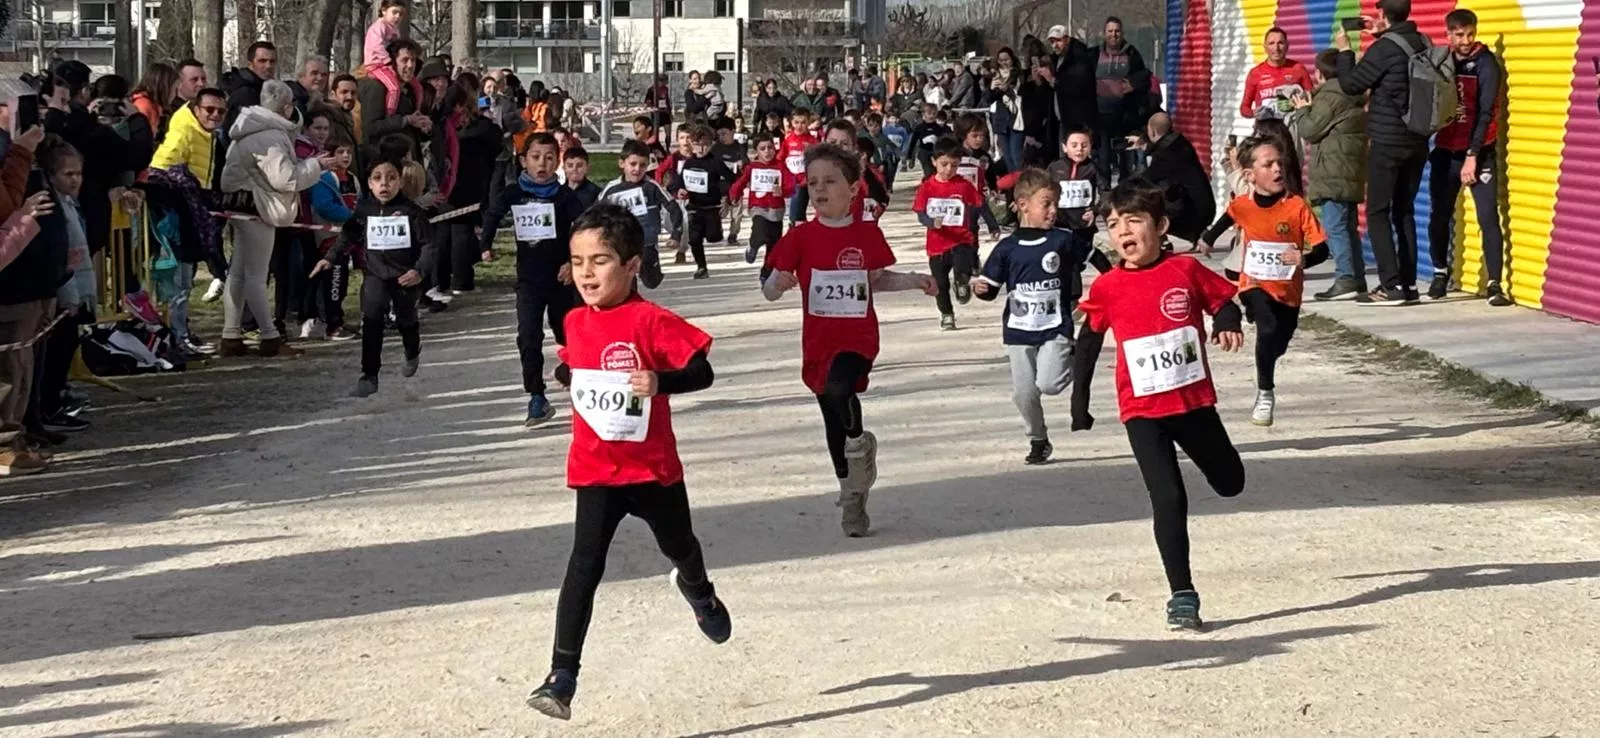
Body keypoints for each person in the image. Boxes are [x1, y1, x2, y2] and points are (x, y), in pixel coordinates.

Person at [524, 204, 732, 723]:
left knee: (679, 546)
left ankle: (699, 592)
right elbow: (575, 365)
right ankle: (561, 676)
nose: (586, 273)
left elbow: (702, 371)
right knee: (583, 565)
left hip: (652, 469)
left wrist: (661, 382)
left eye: (600, 261)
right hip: (596, 468)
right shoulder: (574, 320)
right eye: (577, 262)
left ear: (632, 265)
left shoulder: (651, 320)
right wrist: (568, 377)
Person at [1070, 181, 1247, 631]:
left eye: (1134, 221)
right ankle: (1182, 594)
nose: (1123, 232)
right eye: (1114, 224)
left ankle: (1218, 468)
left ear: (1161, 225)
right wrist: (1079, 402)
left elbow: (1224, 299)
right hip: (1142, 412)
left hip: (1193, 404)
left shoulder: (1185, 270)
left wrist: (1227, 321)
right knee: (1168, 497)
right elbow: (1088, 342)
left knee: (1231, 484)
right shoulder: (1108, 287)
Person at [761, 143, 937, 537]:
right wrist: (778, 282)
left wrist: (914, 280)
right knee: (831, 417)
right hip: (817, 343)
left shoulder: (866, 234)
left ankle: (859, 445)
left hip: (857, 337)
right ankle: (852, 493)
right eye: (813, 183)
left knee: (841, 387)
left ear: (854, 189)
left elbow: (878, 279)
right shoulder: (799, 237)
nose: (820, 189)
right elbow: (769, 290)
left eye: (830, 181)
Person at [1199, 137, 1329, 426]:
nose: (1277, 169)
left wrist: (1303, 259)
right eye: (1268, 165)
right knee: (1266, 324)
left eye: (1279, 163)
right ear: (1250, 175)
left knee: (1277, 343)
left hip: (1288, 292)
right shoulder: (1243, 204)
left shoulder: (1296, 206)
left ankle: (1268, 349)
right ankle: (1265, 391)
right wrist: (1208, 238)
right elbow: (1227, 218)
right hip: (1253, 282)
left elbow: (1323, 249)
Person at [972, 170, 1096, 464]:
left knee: (1050, 384)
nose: (1053, 211)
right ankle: (1038, 439)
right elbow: (990, 288)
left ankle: (1072, 355)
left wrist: (1119, 278)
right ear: (1023, 204)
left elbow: (1093, 256)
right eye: (1047, 204)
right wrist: (980, 290)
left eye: (1056, 204)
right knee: (1025, 394)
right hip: (1019, 330)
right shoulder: (1007, 248)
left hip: (1055, 326)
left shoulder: (1063, 240)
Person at [217, 79, 332, 358]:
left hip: (241, 205)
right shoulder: (269, 135)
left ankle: (231, 334)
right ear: (286, 107)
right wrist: (316, 164)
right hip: (258, 207)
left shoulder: (248, 129)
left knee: (238, 271)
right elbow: (286, 179)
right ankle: (269, 336)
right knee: (256, 275)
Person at [479, 132, 585, 426]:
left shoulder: (564, 197)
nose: (542, 164)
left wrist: (573, 261)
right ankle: (536, 396)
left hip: (561, 279)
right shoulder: (514, 194)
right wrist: (485, 245)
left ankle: (578, 375)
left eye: (550, 158)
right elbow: (493, 214)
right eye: (536, 158)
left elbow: (585, 227)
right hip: (529, 280)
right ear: (524, 161)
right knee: (528, 336)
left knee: (566, 334)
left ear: (557, 163)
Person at [1334, 0, 1431, 306]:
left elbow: (1351, 85)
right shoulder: (1423, 41)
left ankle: (1390, 286)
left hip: (1388, 142)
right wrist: (1382, 35)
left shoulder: (1384, 49)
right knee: (1404, 211)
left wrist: (1345, 51)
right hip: (1418, 140)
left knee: (1377, 212)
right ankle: (1409, 284)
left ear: (1382, 14)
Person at [311, 155, 431, 396]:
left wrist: (418, 270)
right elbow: (348, 235)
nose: (384, 183)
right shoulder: (364, 210)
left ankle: (411, 349)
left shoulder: (412, 212)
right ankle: (369, 375)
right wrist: (330, 258)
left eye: (391, 178)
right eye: (378, 178)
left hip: (405, 276)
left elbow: (430, 246)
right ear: (369, 184)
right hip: (375, 274)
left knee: (406, 320)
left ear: (400, 182)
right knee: (372, 320)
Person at [1427, 9, 1508, 305]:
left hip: (1478, 153)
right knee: (1439, 215)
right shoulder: (1441, 60)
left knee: (1488, 216)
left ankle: (1495, 284)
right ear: (1448, 34)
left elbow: (1487, 114)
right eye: (1459, 35)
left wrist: (1473, 155)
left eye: (1470, 34)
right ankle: (1440, 272)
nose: (1466, 40)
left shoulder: (1486, 63)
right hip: (1445, 152)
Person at [148, 88, 228, 353]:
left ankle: (180, 334)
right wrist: (181, 199)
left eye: (221, 111)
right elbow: (159, 170)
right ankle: (174, 338)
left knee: (185, 281)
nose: (215, 115)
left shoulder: (208, 135)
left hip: (193, 214)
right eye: (209, 110)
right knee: (177, 282)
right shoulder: (183, 132)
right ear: (196, 109)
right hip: (175, 218)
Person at [1290, 49, 1368, 301]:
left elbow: (1310, 130)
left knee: (1336, 229)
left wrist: (1302, 110)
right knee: (1348, 229)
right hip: (1349, 171)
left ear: (1319, 73)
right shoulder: (1353, 94)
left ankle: (1345, 279)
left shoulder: (1330, 96)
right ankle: (1357, 279)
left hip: (1332, 172)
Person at [428, 83, 500, 298]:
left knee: (442, 232)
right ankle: (461, 280)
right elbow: (495, 146)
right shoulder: (480, 127)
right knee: (462, 231)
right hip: (467, 183)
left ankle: (440, 281)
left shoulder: (440, 123)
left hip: (444, 183)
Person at [914, 138, 983, 331]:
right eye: (944, 164)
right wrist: (931, 222)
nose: (949, 169)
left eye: (954, 165)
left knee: (962, 267)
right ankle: (947, 314)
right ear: (934, 161)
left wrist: (993, 225)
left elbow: (980, 204)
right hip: (937, 244)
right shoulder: (927, 187)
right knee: (940, 284)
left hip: (961, 239)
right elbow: (920, 213)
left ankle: (962, 282)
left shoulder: (963, 185)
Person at [599, 140, 683, 288]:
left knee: (652, 282)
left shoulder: (651, 186)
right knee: (627, 282)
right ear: (622, 163)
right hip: (623, 242)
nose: (637, 169)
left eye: (642, 165)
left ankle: (651, 272)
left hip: (647, 242)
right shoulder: (612, 189)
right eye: (633, 164)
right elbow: (595, 214)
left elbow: (673, 207)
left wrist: (676, 234)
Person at [306, 135, 360, 341]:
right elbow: (324, 206)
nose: (346, 156)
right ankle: (331, 325)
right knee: (333, 282)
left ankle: (338, 319)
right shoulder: (324, 179)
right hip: (329, 238)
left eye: (349, 152)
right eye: (340, 152)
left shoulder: (353, 179)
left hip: (349, 238)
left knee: (342, 281)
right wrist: (352, 217)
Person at [1132, 112, 1214, 244]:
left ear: (1152, 131)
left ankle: (1164, 242)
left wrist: (1115, 194)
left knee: (1144, 201)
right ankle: (1195, 235)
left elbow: (1146, 179)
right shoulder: (1180, 143)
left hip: (1194, 213)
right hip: (1205, 207)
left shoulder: (1165, 155)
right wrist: (1145, 144)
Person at [1092, 17, 1153, 188]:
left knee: (1125, 157)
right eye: (1110, 31)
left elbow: (1145, 77)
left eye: (1117, 31)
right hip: (1100, 114)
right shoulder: (1094, 54)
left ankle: (1125, 190)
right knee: (1103, 157)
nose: (1114, 35)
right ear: (1104, 33)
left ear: (1122, 33)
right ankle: (1104, 190)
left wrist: (1133, 84)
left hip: (1124, 115)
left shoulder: (1131, 53)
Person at [673, 124, 735, 280]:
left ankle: (717, 231)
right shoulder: (689, 163)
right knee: (694, 239)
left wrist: (726, 198)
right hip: (694, 206)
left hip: (712, 206)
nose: (700, 149)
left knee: (713, 237)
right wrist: (680, 190)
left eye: (705, 145)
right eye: (697, 145)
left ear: (711, 145)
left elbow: (732, 180)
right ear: (692, 145)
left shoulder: (715, 162)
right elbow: (680, 181)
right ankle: (701, 267)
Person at [359, 38, 431, 163]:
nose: (410, 65)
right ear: (392, 62)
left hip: (409, 160)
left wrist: (424, 127)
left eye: (413, 60)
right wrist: (405, 120)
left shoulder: (411, 90)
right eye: (405, 60)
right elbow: (371, 127)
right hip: (384, 160)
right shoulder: (376, 87)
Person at [729, 134, 795, 270]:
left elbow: (791, 185)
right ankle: (753, 245)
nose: (767, 151)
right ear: (756, 152)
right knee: (760, 233)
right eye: (762, 148)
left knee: (773, 244)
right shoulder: (752, 167)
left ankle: (766, 272)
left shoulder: (780, 166)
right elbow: (740, 182)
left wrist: (783, 191)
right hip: (758, 207)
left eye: (770, 148)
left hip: (776, 210)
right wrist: (734, 195)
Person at [1240, 27, 1313, 120]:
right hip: (1266, 127)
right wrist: (1255, 113)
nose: (1276, 48)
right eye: (1271, 43)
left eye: (1280, 43)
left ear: (1287, 46)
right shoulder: (1255, 73)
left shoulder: (1298, 68)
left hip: (1292, 126)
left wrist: (1292, 104)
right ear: (1265, 47)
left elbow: (1311, 98)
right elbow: (1244, 108)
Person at [1045, 24, 1101, 136]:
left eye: (1058, 40)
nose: (1055, 45)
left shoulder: (1080, 58)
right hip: (1061, 119)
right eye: (1052, 42)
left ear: (1067, 39)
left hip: (1078, 121)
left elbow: (1078, 86)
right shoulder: (1056, 59)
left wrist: (1053, 80)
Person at [710, 116, 748, 246]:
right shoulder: (715, 148)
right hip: (720, 187)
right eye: (719, 134)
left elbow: (746, 162)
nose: (722, 137)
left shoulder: (739, 147)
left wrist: (742, 163)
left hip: (735, 186)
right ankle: (717, 229)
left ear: (732, 131)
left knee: (737, 213)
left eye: (724, 133)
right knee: (719, 212)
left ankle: (733, 234)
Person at [780, 109, 820, 225]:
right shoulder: (788, 139)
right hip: (792, 181)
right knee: (796, 212)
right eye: (796, 122)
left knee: (797, 211)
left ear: (808, 123)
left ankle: (796, 226)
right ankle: (797, 226)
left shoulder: (813, 141)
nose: (799, 126)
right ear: (792, 123)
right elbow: (781, 157)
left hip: (805, 181)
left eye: (803, 122)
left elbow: (818, 162)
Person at [130, 61, 179, 137]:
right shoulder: (144, 106)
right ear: (165, 88)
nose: (176, 93)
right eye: (174, 89)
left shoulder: (154, 105)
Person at [905, 103, 951, 179]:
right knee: (928, 171)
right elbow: (913, 142)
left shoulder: (939, 128)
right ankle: (927, 182)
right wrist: (910, 156)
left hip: (935, 152)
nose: (931, 116)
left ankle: (930, 182)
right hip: (924, 152)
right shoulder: (919, 127)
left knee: (936, 172)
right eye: (929, 113)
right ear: (923, 114)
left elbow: (942, 141)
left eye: (934, 114)